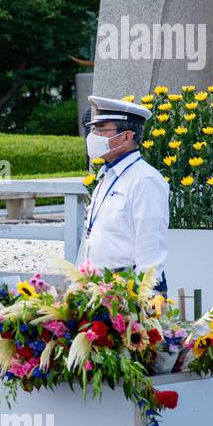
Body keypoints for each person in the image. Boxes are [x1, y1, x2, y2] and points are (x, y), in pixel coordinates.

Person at [79, 95, 170, 293]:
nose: (94, 136)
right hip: (98, 288)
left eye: (102, 130)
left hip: (126, 290)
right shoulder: (108, 175)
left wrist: (146, 298)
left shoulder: (145, 180)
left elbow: (151, 246)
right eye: (94, 129)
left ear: (127, 136)